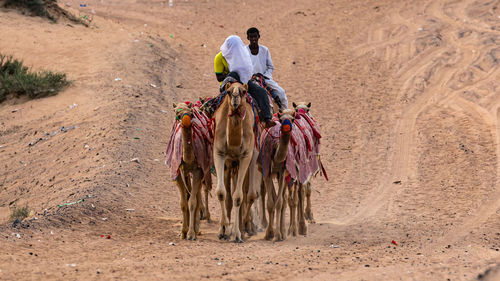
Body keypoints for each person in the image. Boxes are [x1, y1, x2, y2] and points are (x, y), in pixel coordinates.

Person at [214, 35, 275, 128]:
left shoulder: (242, 54)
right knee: (234, 74)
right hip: (228, 84)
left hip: (244, 82)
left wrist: (243, 75)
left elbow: (248, 70)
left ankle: (267, 119)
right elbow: (219, 77)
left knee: (261, 91)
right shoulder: (219, 58)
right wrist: (235, 74)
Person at [246, 27, 288, 109]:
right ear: (248, 38)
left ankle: (284, 115)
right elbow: (243, 67)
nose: (253, 39)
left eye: (255, 37)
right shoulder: (244, 51)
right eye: (251, 37)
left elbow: (270, 67)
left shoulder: (265, 50)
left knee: (281, 93)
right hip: (249, 80)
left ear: (259, 37)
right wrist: (251, 76)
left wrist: (264, 76)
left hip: (265, 79)